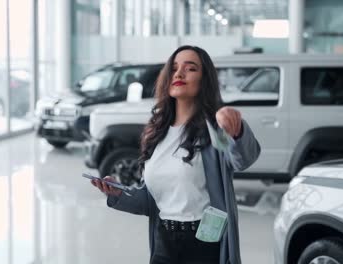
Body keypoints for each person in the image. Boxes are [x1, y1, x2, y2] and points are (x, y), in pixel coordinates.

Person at [91, 45, 260, 264]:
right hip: (163, 241)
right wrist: (117, 193)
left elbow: (243, 159)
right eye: (174, 68)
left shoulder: (214, 128)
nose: (179, 73)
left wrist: (237, 131)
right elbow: (151, 200)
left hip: (204, 242)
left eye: (190, 68)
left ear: (204, 79)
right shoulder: (156, 130)